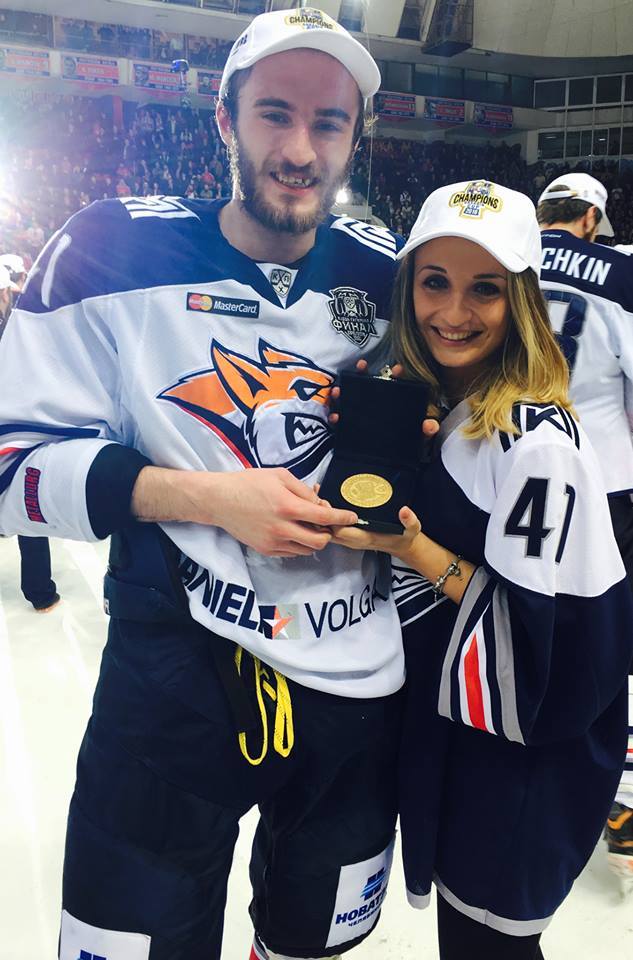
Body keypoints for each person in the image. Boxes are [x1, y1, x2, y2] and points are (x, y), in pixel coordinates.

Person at [0, 9, 429, 960]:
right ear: (225, 121)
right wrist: (207, 498)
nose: (299, 150)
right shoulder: (108, 246)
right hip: (171, 687)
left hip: (355, 690)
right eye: (274, 114)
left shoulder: (389, 272)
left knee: (311, 945)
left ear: (355, 138)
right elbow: (6, 465)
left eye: (328, 123)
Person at [329, 180, 633, 957]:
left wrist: (413, 551)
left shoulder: (535, 446)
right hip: (464, 738)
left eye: (485, 290)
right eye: (434, 282)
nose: (452, 312)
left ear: (521, 300)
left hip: (521, 762)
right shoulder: (441, 402)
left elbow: (542, 644)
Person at [536, 172, 633, 892]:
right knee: (612, 641)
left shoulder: (504, 258)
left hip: (509, 472)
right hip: (604, 482)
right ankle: (620, 801)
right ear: (593, 219)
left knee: (524, 624)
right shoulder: (620, 271)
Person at [0, 260, 60, 611]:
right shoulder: (16, 328)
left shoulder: (15, 325)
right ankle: (40, 594)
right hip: (13, 427)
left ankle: (41, 592)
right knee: (26, 504)